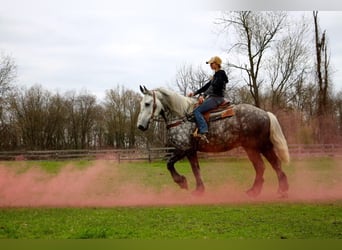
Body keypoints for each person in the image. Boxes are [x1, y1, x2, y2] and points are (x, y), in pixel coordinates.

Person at [188, 56, 228, 142]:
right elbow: (206, 86)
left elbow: (213, 86)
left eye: (212, 63)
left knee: (196, 111)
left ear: (217, 64)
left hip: (216, 98)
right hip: (214, 97)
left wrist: (204, 95)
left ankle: (203, 130)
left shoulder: (220, 74)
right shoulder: (216, 75)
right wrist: (195, 93)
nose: (210, 65)